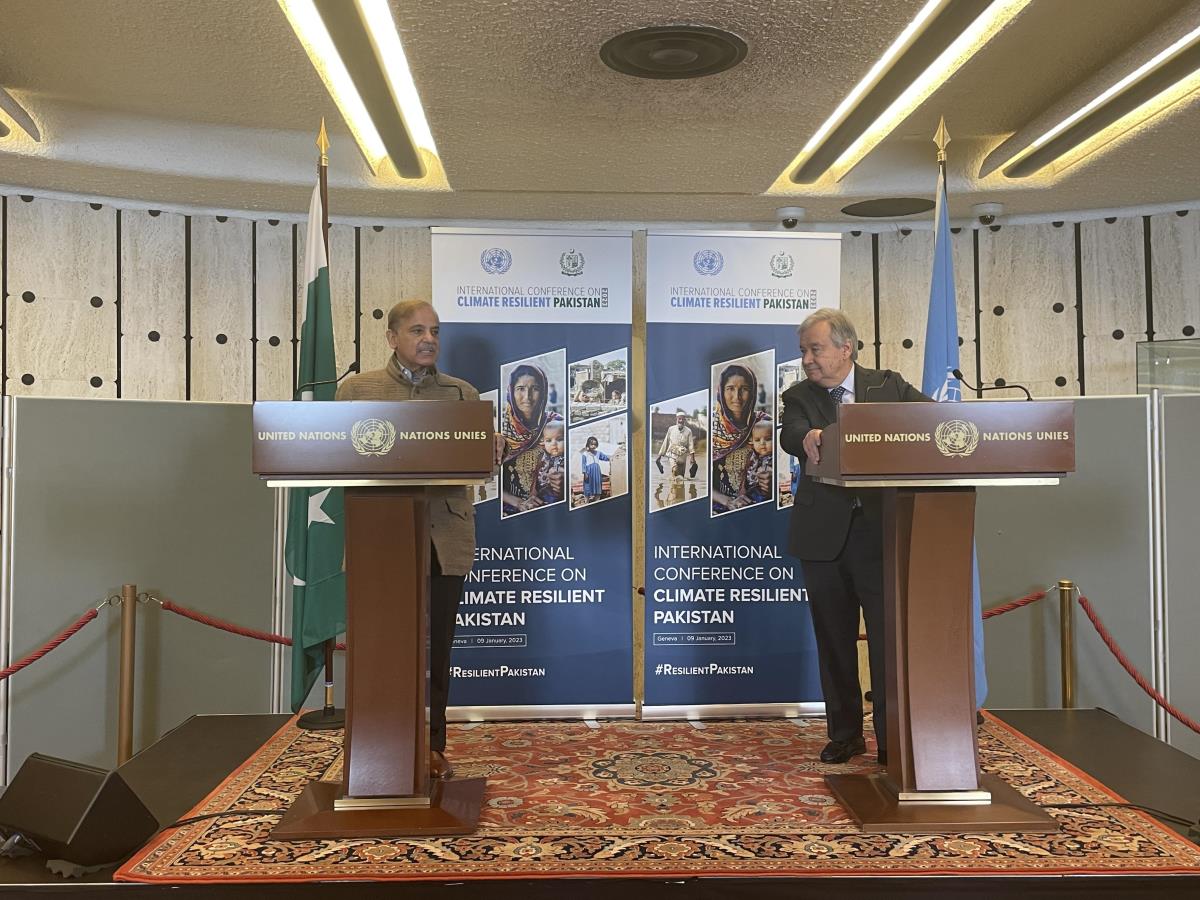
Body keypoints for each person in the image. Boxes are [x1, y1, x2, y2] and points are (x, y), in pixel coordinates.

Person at [335, 298, 492, 780]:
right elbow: (338, 456)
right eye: (418, 330)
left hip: (444, 534)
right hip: (380, 535)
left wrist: (495, 448)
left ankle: (434, 745)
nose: (429, 340)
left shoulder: (462, 393)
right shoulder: (357, 390)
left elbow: (478, 463)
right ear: (392, 338)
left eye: (435, 331)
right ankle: (376, 746)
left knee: (438, 647)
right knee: (380, 645)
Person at [779, 308, 928, 767]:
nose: (807, 359)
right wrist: (809, 437)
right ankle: (845, 734)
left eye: (815, 349)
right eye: (803, 351)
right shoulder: (799, 395)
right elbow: (792, 434)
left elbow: (933, 420)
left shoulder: (888, 386)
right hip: (823, 538)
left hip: (881, 533)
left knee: (887, 642)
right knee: (834, 642)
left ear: (846, 348)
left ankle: (890, 737)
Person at [500, 363, 563, 514]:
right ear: (511, 391)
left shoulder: (555, 424)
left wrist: (563, 478)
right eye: (520, 388)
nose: (527, 397)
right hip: (509, 509)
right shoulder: (498, 429)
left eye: (535, 388)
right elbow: (486, 480)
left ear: (544, 392)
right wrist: (518, 502)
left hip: (547, 506)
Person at [711, 364, 770, 514]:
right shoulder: (711, 428)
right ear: (721, 391)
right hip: (719, 506)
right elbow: (701, 482)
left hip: (755, 501)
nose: (737, 397)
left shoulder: (763, 424)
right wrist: (727, 501)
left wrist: (770, 476)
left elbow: (780, 462)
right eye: (730, 388)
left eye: (744, 389)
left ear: (753, 392)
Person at [528, 421, 565, 508]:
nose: (554, 443)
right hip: (541, 493)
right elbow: (536, 478)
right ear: (543, 443)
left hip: (558, 493)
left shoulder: (567, 457)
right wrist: (532, 495)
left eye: (559, 439)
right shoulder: (542, 457)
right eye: (549, 440)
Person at [739, 420, 774, 504]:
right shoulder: (751, 456)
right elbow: (745, 474)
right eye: (757, 440)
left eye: (768, 439)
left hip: (766, 493)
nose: (762, 443)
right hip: (750, 493)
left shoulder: (775, 457)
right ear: (752, 442)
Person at [656, 410, 696, 478]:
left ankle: (675, 483)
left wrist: (692, 458)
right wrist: (660, 456)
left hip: (683, 456)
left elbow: (690, 445)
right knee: (674, 470)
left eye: (682, 419)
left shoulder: (688, 431)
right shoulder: (671, 429)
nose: (681, 420)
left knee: (681, 476)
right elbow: (666, 442)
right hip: (672, 453)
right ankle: (673, 483)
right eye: (679, 419)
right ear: (676, 419)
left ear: (684, 420)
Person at [578, 434, 611, 504]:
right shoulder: (585, 454)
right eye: (592, 444)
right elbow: (583, 464)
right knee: (587, 486)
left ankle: (597, 500)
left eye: (595, 444)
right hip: (588, 472)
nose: (593, 446)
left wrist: (612, 457)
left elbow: (605, 457)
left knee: (597, 484)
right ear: (588, 444)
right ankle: (587, 500)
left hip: (597, 472)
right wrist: (585, 473)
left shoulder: (598, 453)